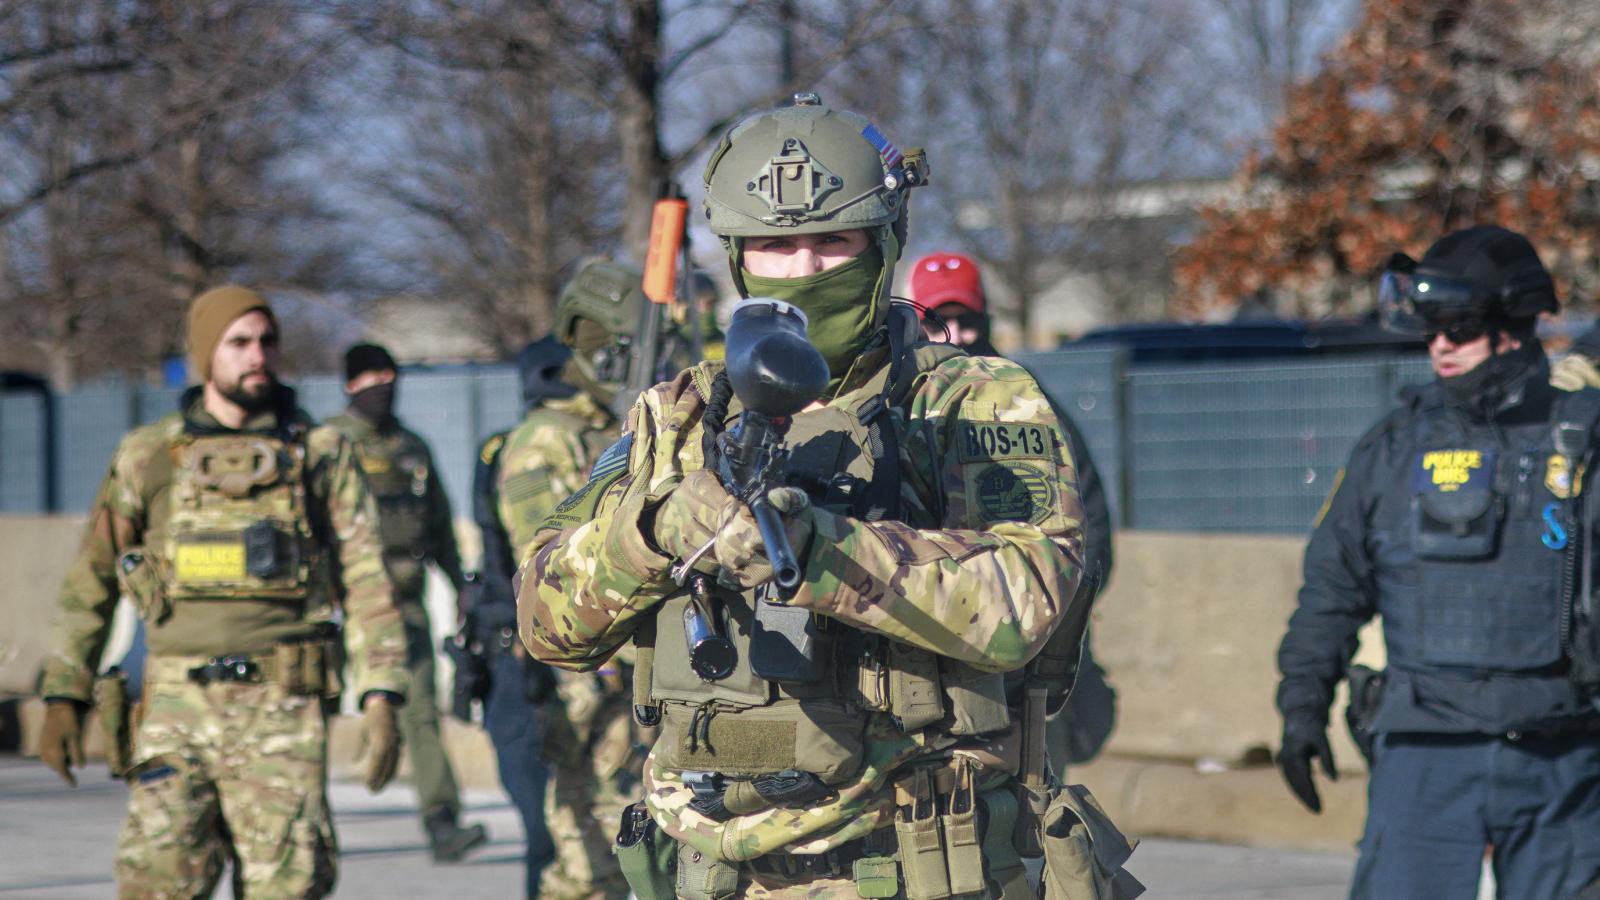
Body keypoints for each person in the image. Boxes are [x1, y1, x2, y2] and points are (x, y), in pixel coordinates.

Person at [517, 94, 1139, 898]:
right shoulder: (677, 417)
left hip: (915, 863)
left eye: (832, 243)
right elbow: (545, 623)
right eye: (777, 247)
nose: (805, 270)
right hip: (716, 873)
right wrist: (654, 531)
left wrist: (822, 550)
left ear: (883, 245)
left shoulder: (970, 400)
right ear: (739, 258)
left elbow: (1028, 599)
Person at [36, 285, 408, 897]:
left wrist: (383, 693)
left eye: (267, 341)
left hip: (283, 708)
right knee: (156, 884)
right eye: (238, 342)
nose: (257, 356)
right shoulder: (149, 456)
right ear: (206, 352)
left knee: (288, 887)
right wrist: (63, 694)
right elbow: (92, 579)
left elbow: (367, 577)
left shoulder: (320, 454)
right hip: (175, 710)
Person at [1275, 225, 1600, 899]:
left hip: (1563, 757)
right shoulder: (1393, 448)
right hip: (1425, 756)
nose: (1440, 345)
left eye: (1460, 327)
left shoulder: (1585, 439)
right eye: (1431, 329)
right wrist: (1302, 705)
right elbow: (1332, 588)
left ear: (1514, 324)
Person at [470, 259, 650, 899]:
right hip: (586, 681)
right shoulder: (544, 439)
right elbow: (546, 573)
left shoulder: (619, 426)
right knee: (585, 857)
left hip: (631, 677)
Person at [909, 251, 1119, 771]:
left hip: (1024, 656)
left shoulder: (1026, 403)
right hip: (929, 659)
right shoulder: (900, 406)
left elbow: (1090, 528)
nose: (956, 335)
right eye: (938, 322)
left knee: (1033, 796)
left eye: (966, 320)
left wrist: (1047, 611)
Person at [324, 343, 488, 862]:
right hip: (340, 607)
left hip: (404, 605)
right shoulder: (329, 444)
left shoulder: (411, 448)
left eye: (389, 377)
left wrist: (460, 584)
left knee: (420, 714)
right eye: (371, 378)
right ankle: (303, 820)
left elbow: (437, 523)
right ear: (349, 384)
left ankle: (442, 822)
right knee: (314, 710)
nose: (383, 387)